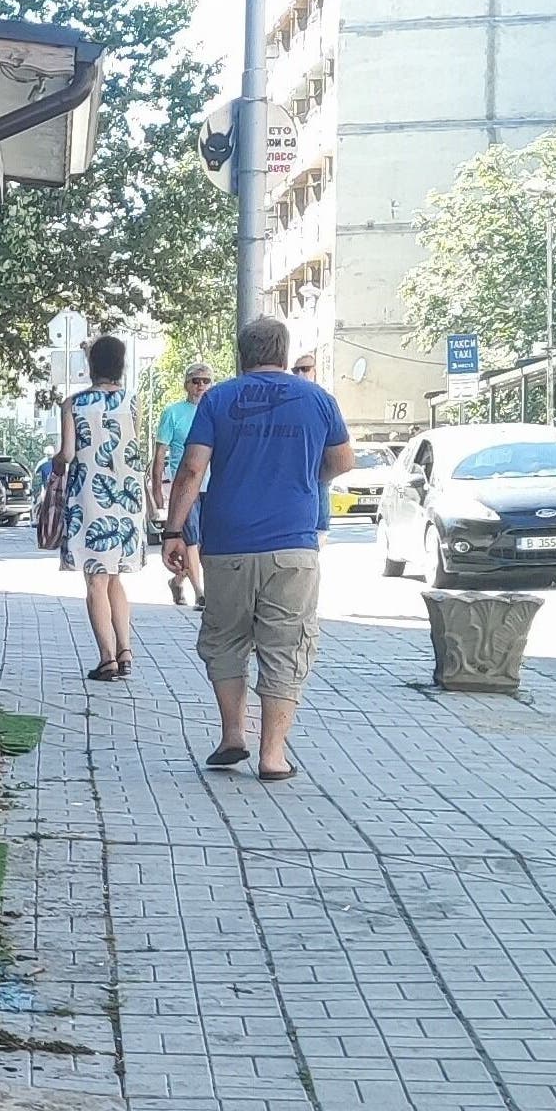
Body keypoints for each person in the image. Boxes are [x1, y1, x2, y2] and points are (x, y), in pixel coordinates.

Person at [163, 315, 354, 782]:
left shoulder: (218, 399)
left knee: (225, 638)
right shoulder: (318, 399)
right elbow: (342, 461)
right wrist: (305, 478)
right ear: (284, 355)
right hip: (294, 544)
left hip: (227, 543)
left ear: (241, 354)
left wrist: (173, 530)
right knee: (286, 644)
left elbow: (191, 469)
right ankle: (272, 756)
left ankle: (232, 735)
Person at [57, 335, 149, 681]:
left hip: (90, 497)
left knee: (95, 580)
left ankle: (107, 658)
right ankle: (126, 651)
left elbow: (68, 454)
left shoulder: (73, 404)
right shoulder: (133, 401)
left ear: (91, 365)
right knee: (114, 579)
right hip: (127, 496)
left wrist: (56, 463)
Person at [151, 361, 213, 609]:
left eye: (205, 381)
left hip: (212, 485)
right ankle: (200, 593)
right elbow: (160, 454)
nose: (201, 386)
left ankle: (177, 581)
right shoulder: (173, 413)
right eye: (196, 381)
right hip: (186, 485)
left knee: (205, 543)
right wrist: (157, 488)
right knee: (190, 540)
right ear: (187, 384)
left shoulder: (216, 411)